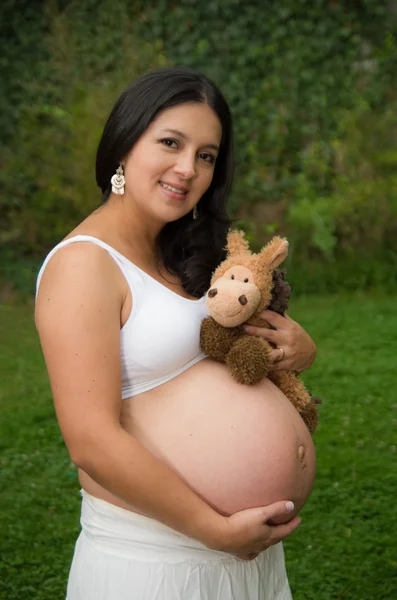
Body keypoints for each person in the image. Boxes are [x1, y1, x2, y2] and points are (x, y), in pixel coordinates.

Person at [35, 67, 317, 600]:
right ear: (123, 144)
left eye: (206, 155)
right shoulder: (83, 266)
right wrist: (213, 529)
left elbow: (220, 354)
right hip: (161, 559)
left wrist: (296, 350)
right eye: (170, 142)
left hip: (241, 556)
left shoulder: (181, 250)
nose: (187, 169)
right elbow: (90, 440)